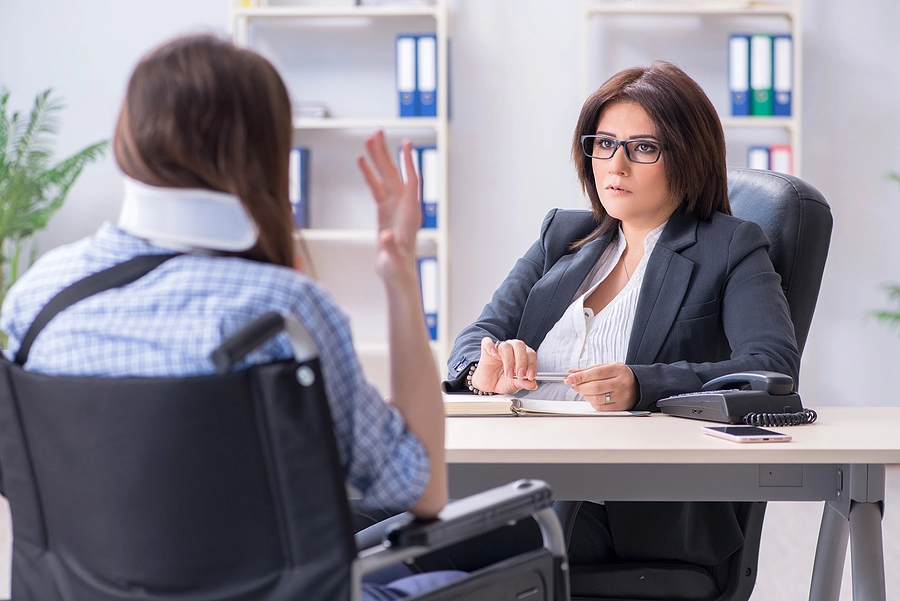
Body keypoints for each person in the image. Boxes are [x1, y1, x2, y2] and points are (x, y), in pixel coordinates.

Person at [0, 35, 463, 600]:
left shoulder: (37, 302)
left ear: (128, 138)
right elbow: (423, 489)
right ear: (264, 154)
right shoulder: (283, 317)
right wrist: (400, 278)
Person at [442, 61, 800, 568]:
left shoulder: (729, 246)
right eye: (605, 143)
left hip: (619, 509)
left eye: (644, 148)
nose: (616, 165)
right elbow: (478, 335)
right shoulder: (561, 237)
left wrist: (642, 385)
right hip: (514, 475)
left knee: (391, 549)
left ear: (688, 157)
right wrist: (485, 368)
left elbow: (772, 368)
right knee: (344, 511)